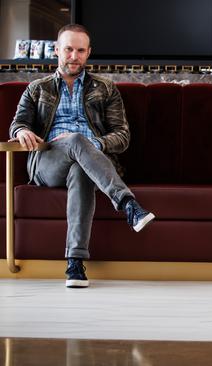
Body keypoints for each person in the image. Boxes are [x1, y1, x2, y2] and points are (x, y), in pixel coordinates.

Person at [9, 24, 155, 288]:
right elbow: (17, 123)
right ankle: (128, 204)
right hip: (48, 161)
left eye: (80, 50)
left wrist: (92, 145)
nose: (73, 56)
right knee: (76, 140)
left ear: (88, 53)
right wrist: (21, 131)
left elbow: (122, 137)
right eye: (68, 49)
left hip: (91, 161)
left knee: (81, 167)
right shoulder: (37, 89)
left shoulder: (106, 89)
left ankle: (75, 263)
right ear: (56, 51)